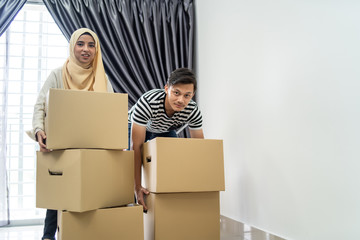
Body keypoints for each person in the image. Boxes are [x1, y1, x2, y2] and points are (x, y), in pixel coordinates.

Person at [27, 28, 113, 240]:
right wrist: (39, 130)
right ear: (72, 45)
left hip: (93, 147)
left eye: (91, 45)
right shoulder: (57, 74)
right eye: (80, 44)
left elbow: (111, 109)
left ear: (96, 50)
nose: (86, 49)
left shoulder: (101, 78)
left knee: (90, 195)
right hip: (62, 145)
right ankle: (48, 236)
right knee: (59, 193)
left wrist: (114, 138)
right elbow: (40, 105)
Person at [128, 68, 204, 211]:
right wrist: (137, 187)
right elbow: (136, 147)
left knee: (172, 160)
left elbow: (199, 148)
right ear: (166, 89)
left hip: (164, 130)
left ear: (192, 95)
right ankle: (132, 200)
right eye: (176, 93)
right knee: (128, 161)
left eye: (187, 95)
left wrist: (198, 187)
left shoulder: (193, 111)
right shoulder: (148, 102)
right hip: (135, 125)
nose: (181, 100)